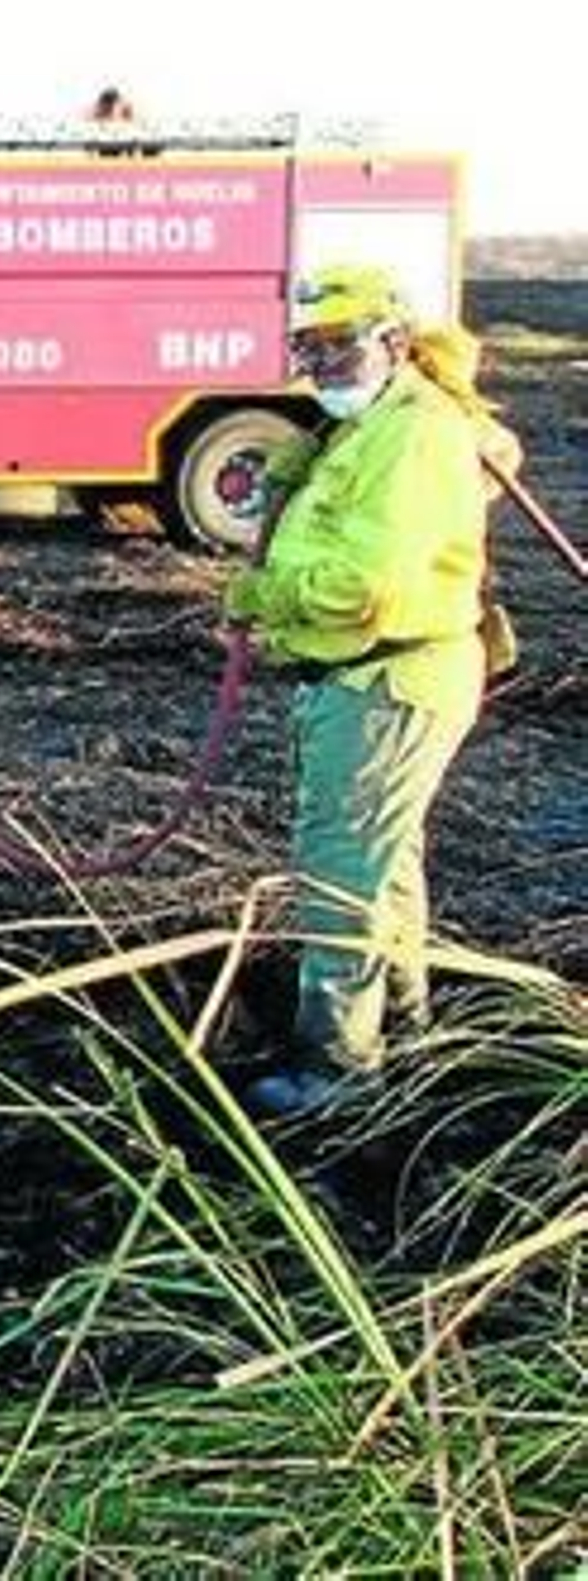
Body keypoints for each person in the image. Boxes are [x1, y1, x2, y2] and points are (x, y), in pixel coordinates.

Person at [223, 263, 520, 1115]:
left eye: (339, 344)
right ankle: (405, 1024)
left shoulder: (415, 433)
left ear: (393, 340)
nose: (321, 363)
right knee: (383, 863)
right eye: (307, 347)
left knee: (340, 874)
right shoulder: (365, 426)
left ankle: (338, 1071)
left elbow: (365, 585)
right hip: (367, 677)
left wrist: (261, 593)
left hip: (388, 677)